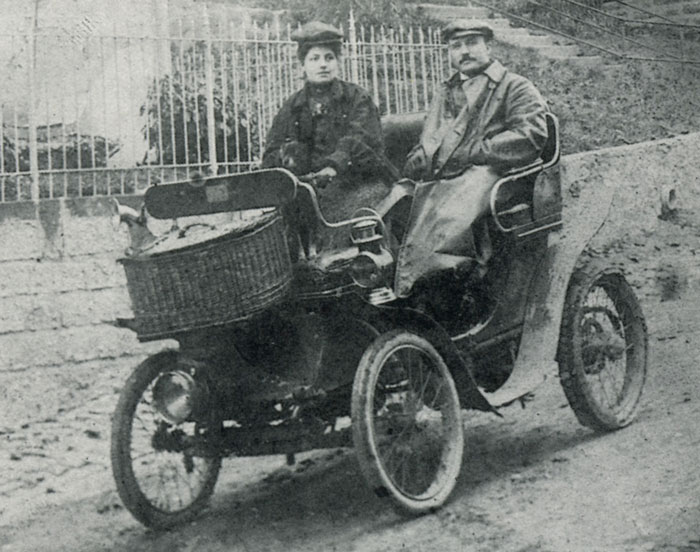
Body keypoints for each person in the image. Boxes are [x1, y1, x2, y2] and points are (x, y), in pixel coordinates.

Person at [395, 19, 550, 297]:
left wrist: (476, 151)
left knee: (451, 217)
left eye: (471, 43)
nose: (464, 51)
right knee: (392, 205)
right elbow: (432, 135)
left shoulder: (515, 86)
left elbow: (531, 136)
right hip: (444, 174)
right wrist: (420, 155)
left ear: (488, 46)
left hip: (494, 174)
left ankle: (444, 290)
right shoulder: (445, 91)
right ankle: (394, 284)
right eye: (456, 46)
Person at [262, 21, 396, 255]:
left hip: (359, 183)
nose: (323, 64)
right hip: (309, 191)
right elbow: (271, 153)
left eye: (329, 57)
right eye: (314, 58)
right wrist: (287, 159)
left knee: (346, 232)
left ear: (338, 62)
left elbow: (360, 139)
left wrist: (334, 166)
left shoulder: (357, 99)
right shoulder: (293, 107)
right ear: (302, 65)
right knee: (274, 234)